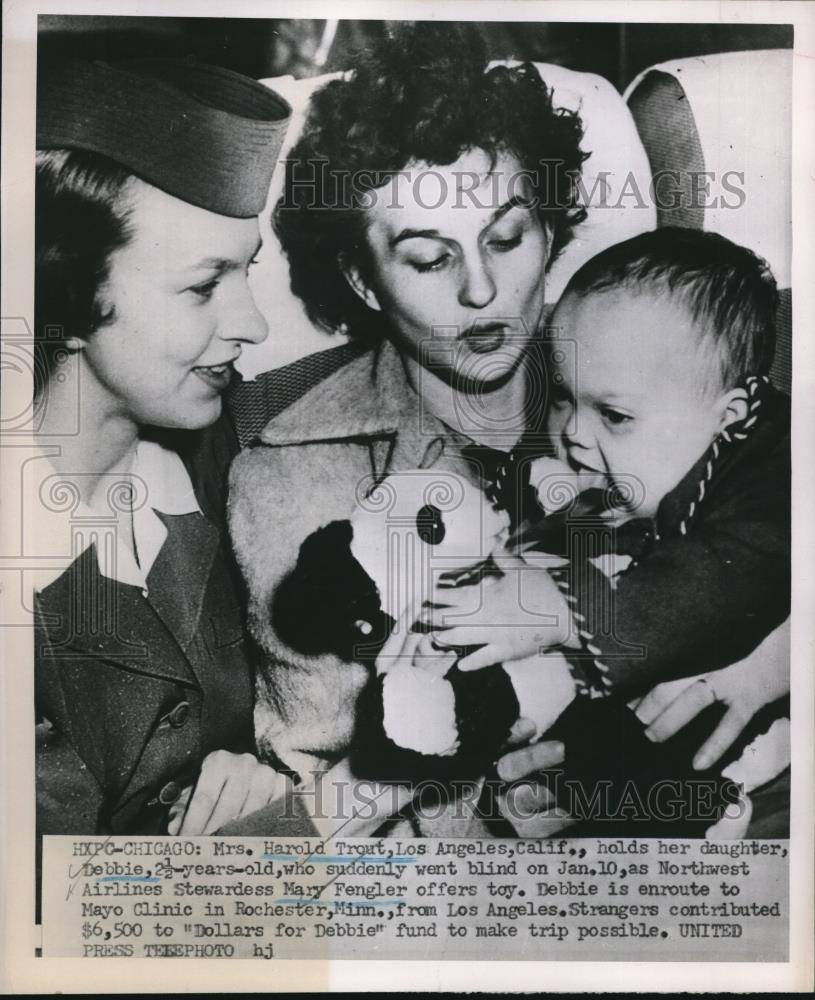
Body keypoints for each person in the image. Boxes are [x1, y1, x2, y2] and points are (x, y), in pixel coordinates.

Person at [228, 22, 586, 836]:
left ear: (552, 230)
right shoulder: (291, 471)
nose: (482, 290)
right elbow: (326, 782)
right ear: (362, 277)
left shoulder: (651, 380)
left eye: (506, 237)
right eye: (430, 259)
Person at [33, 57, 294, 845]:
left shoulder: (228, 454)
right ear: (66, 298)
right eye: (202, 286)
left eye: (246, 272)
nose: (253, 324)